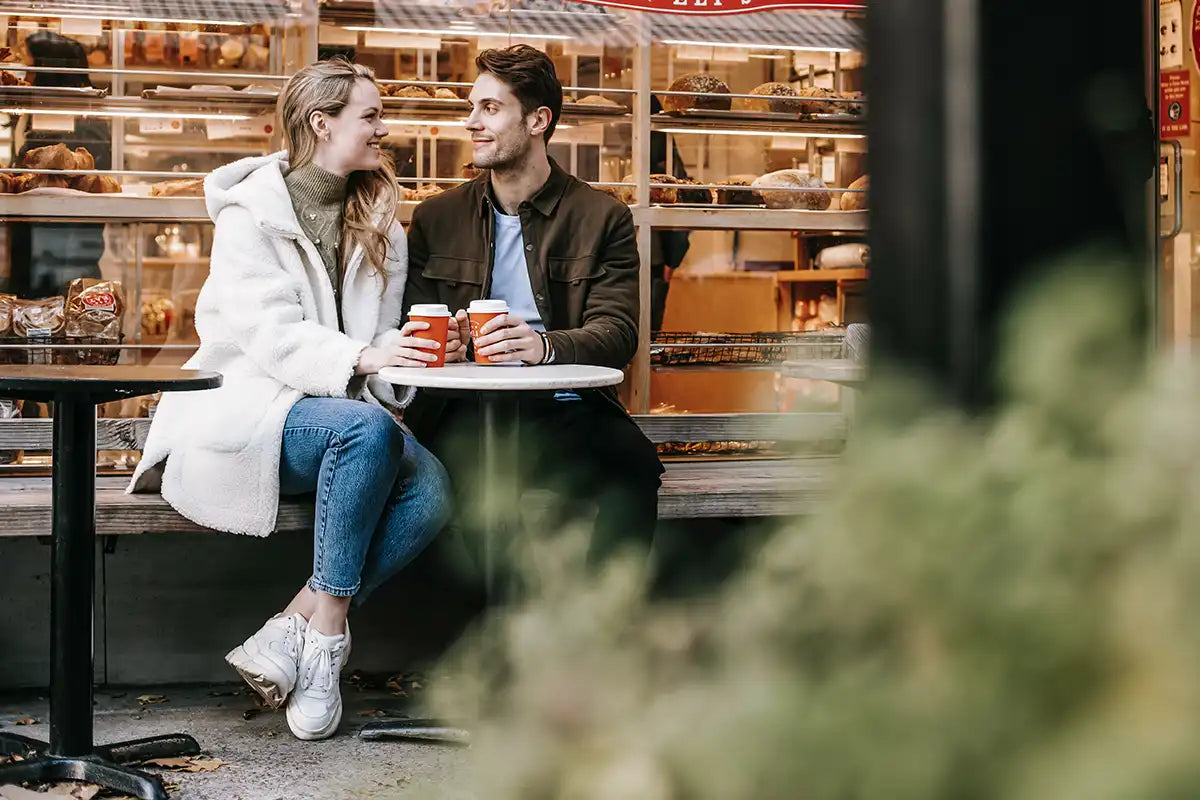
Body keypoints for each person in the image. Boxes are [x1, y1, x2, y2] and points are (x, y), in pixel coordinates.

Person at [128, 58, 453, 741]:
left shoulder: (381, 223)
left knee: (433, 492)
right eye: (370, 115)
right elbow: (270, 337)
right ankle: (329, 647)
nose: (383, 128)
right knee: (366, 432)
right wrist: (362, 359)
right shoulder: (252, 216)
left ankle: (297, 628)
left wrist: (402, 353)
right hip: (250, 412)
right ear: (321, 122)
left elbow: (378, 334)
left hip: (341, 417)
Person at [403, 45, 663, 569]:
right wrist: (442, 347)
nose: (471, 122)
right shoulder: (436, 217)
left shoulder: (603, 217)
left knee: (635, 464)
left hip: (564, 409)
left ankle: (602, 619)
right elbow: (409, 322)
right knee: (472, 493)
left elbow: (618, 331)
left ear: (539, 120)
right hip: (462, 414)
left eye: (490, 109)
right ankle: (491, 630)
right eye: (473, 107)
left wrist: (543, 348)